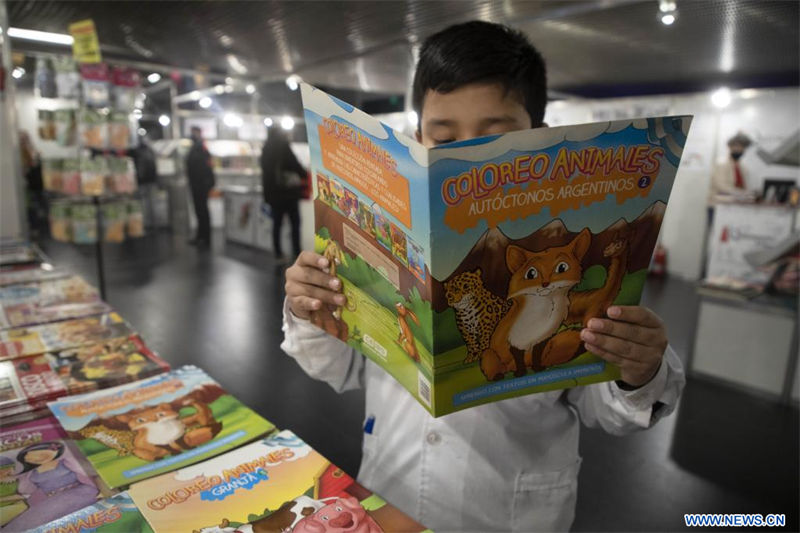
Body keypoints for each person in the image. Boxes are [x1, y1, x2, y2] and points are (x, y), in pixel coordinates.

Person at [282, 21, 685, 532]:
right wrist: (311, 307)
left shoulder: (560, 257)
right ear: (419, 133)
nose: (461, 155)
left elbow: (606, 408)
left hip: (508, 513)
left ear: (539, 133)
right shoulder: (393, 234)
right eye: (443, 136)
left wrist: (640, 369)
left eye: (495, 137)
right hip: (390, 495)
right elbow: (340, 368)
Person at [261, 127, 306, 262]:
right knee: (295, 224)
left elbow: (265, 174)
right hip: (288, 194)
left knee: (277, 224)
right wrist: (303, 174)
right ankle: (296, 252)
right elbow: (294, 164)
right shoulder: (283, 146)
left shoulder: (266, 148)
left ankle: (278, 252)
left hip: (274, 195)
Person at [186, 126, 215, 247]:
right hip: (196, 184)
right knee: (199, 211)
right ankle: (200, 236)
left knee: (202, 211)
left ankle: (205, 237)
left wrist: (206, 183)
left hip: (201, 185)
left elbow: (206, 167)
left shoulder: (201, 148)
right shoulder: (196, 148)